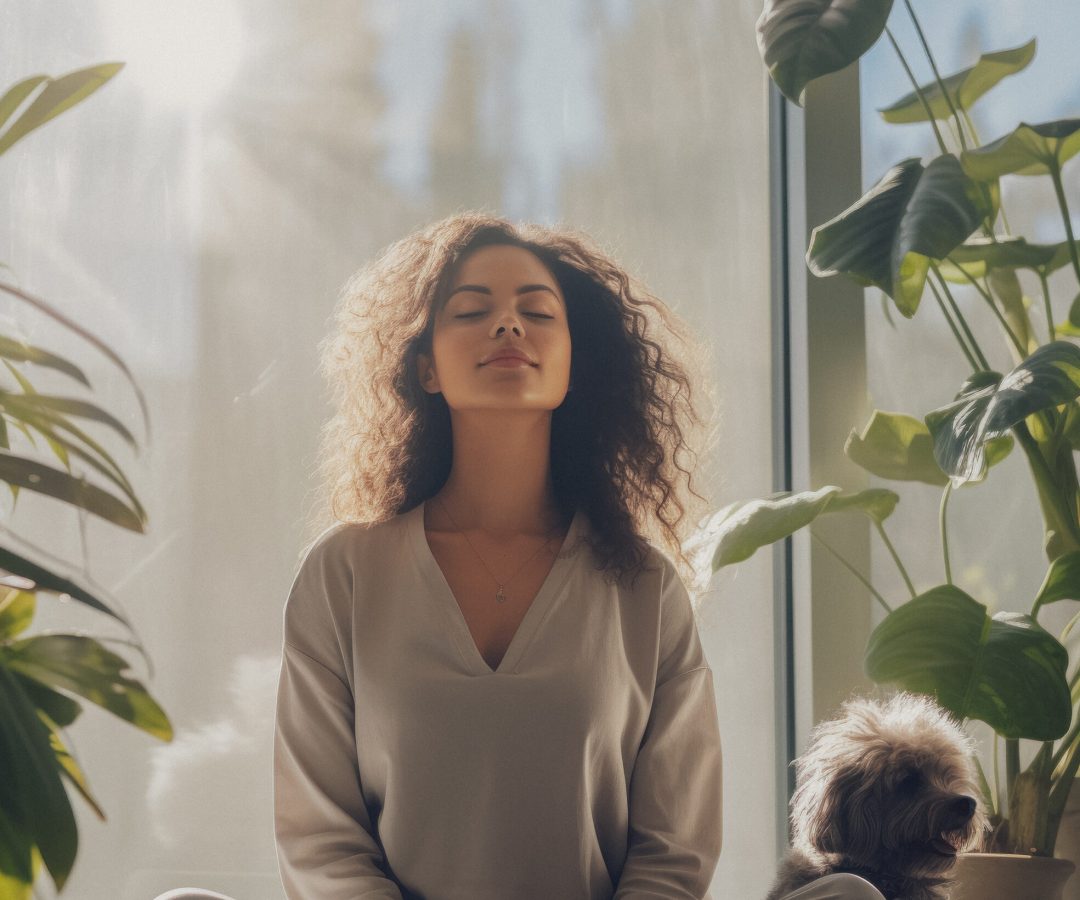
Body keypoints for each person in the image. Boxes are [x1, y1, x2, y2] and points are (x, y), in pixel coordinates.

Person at [272, 212, 876, 900]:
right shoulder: (344, 574)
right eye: (472, 311)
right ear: (425, 369)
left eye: (537, 312)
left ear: (574, 366)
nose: (508, 326)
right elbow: (320, 844)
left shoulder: (644, 587)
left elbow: (672, 854)